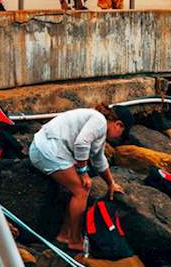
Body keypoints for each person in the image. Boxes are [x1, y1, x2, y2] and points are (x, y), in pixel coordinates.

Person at [28, 104, 130, 251]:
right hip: (46, 151)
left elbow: (99, 159)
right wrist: (83, 172)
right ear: (118, 124)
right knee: (81, 190)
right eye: (122, 133)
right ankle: (75, 240)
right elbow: (81, 144)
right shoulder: (99, 121)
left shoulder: (98, 126)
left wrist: (110, 183)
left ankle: (64, 235)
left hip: (46, 149)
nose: (118, 138)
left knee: (80, 189)